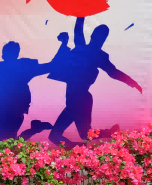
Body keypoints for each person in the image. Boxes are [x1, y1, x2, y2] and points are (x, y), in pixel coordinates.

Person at [43, 16, 142, 145]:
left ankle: (82, 148)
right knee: (78, 134)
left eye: (102, 37)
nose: (100, 39)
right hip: (77, 98)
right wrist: (81, 15)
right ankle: (107, 134)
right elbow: (78, 31)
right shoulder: (86, 50)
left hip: (79, 99)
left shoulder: (95, 54)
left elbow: (113, 72)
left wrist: (132, 82)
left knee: (63, 135)